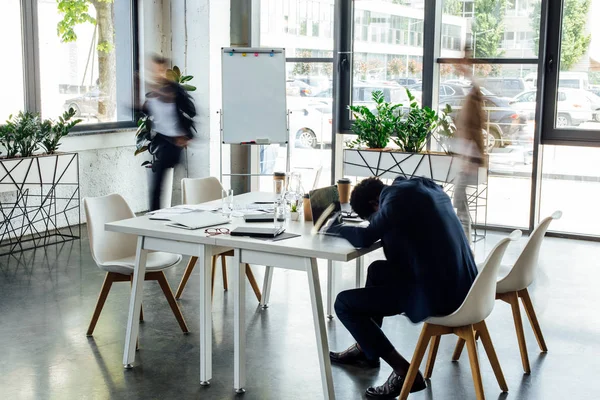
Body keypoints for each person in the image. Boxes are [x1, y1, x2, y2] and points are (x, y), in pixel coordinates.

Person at [326, 176, 478, 398]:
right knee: (377, 270)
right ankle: (366, 350)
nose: (374, 221)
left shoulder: (395, 199)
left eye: (371, 217)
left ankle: (404, 371)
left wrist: (333, 227)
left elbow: (366, 237)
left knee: (344, 304)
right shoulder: (422, 187)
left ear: (374, 204)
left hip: (440, 295)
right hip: (465, 286)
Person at [142, 55, 196, 211]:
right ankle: (155, 216)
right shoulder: (153, 91)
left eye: (157, 69)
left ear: (163, 70)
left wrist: (187, 135)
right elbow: (148, 111)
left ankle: (155, 216)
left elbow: (191, 110)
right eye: (151, 69)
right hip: (162, 140)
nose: (154, 72)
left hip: (175, 142)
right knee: (157, 185)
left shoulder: (174, 89)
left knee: (158, 184)